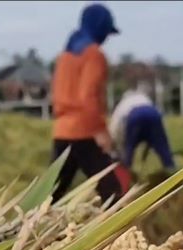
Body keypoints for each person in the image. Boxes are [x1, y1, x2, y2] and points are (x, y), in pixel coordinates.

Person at [50, 3, 131, 204]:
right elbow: (89, 97)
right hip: (83, 132)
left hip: (62, 131)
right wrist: (101, 132)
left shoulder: (65, 55)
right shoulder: (94, 55)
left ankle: (26, 231)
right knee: (113, 191)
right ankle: (117, 234)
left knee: (51, 194)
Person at [108, 83, 177, 175]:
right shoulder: (145, 98)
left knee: (129, 149)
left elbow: (115, 126)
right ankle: (172, 171)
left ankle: (125, 175)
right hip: (153, 114)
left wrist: (115, 151)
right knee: (162, 147)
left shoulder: (122, 105)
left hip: (135, 116)